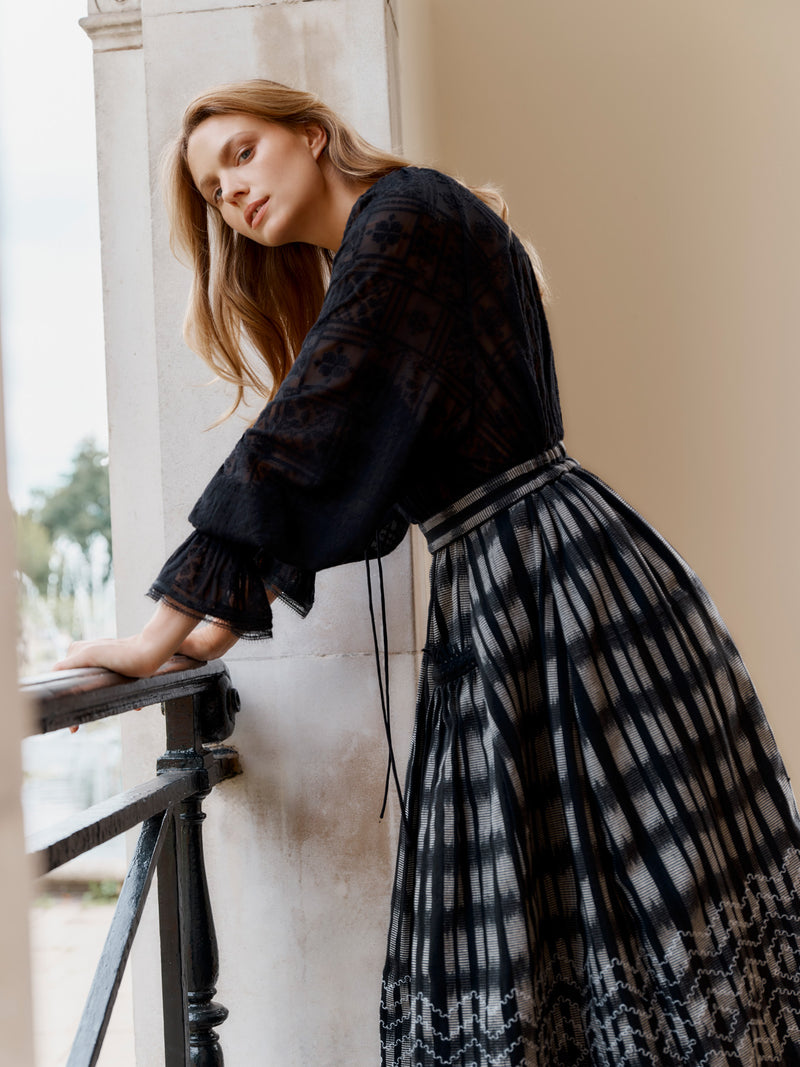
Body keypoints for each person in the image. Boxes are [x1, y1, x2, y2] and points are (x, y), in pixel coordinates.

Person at [56, 80, 800, 1065]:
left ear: (311, 134)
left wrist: (161, 631)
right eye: (208, 185)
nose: (229, 191)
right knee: (579, 915)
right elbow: (342, 446)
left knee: (622, 906)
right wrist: (209, 626)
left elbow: (309, 427)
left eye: (240, 153)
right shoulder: (389, 236)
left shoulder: (403, 216)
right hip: (516, 581)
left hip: (550, 583)